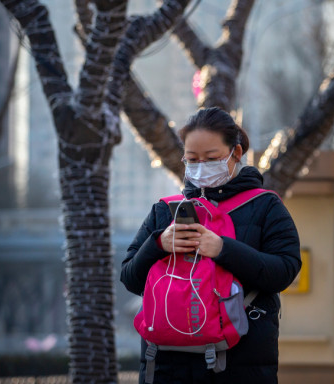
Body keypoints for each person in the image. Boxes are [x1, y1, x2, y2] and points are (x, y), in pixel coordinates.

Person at [121, 107, 301, 383]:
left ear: (236, 154)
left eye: (212, 158)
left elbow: (285, 271)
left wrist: (222, 249)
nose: (201, 167)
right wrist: (158, 244)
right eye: (192, 159)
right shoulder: (165, 210)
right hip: (168, 363)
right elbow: (131, 279)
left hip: (239, 365)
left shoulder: (265, 206)